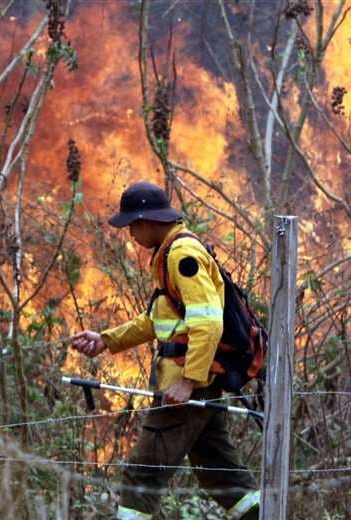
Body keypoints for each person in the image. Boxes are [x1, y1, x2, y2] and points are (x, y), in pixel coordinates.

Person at [72, 181, 259, 520]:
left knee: (141, 475)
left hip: (186, 387)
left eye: (132, 226)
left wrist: (189, 380)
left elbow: (208, 322)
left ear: (146, 221)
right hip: (196, 382)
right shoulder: (170, 254)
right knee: (219, 470)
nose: (131, 236)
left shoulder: (182, 256)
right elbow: (157, 321)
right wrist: (107, 340)